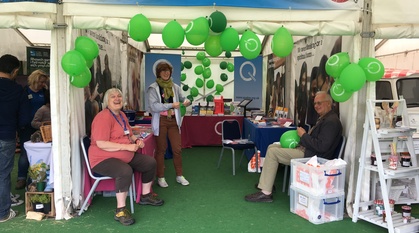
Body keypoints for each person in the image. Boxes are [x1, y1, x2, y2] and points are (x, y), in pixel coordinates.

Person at [244, 91, 342, 202]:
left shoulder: (331, 122)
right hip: (308, 150)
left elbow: (321, 147)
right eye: (315, 103)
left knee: (273, 153)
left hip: (312, 157)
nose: (316, 106)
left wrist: (303, 135)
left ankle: (266, 193)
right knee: (271, 147)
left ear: (329, 103)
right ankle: (267, 183)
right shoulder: (325, 118)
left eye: (319, 103)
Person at [89, 88, 164, 226]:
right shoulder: (103, 117)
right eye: (113, 97)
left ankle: (145, 196)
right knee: (124, 171)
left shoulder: (121, 115)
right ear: (107, 101)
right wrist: (127, 147)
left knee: (150, 163)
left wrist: (136, 141)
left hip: (125, 155)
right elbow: (101, 143)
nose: (117, 99)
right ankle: (120, 210)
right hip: (102, 158)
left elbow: (129, 134)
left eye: (119, 96)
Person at [147, 61, 191, 188]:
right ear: (159, 73)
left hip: (173, 121)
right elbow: (154, 106)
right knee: (161, 150)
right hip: (161, 121)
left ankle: (179, 175)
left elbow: (182, 98)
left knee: (177, 149)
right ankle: (160, 177)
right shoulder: (153, 88)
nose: (166, 73)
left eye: (168, 71)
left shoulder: (175, 87)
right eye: (163, 71)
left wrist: (186, 101)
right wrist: (171, 105)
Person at [0, 54, 31, 222]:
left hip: (7, 134)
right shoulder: (17, 89)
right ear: (15, 71)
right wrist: (20, 129)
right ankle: (3, 213)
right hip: (7, 136)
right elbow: (24, 118)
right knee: (3, 174)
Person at [16, 69, 49, 190]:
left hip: (41, 126)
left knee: (39, 151)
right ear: (35, 80)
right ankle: (21, 178)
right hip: (26, 127)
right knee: (25, 153)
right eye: (41, 82)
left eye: (44, 82)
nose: (42, 84)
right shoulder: (24, 92)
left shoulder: (44, 92)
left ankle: (34, 178)